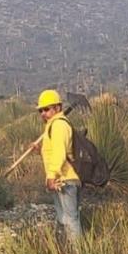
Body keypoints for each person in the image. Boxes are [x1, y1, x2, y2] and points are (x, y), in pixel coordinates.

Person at [36, 89, 82, 241]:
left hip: (65, 180)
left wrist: (51, 176)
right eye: (41, 110)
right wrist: (39, 149)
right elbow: (52, 152)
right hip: (60, 179)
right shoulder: (52, 125)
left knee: (70, 220)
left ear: (57, 108)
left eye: (47, 109)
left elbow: (59, 153)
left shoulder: (59, 126)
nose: (43, 113)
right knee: (63, 220)